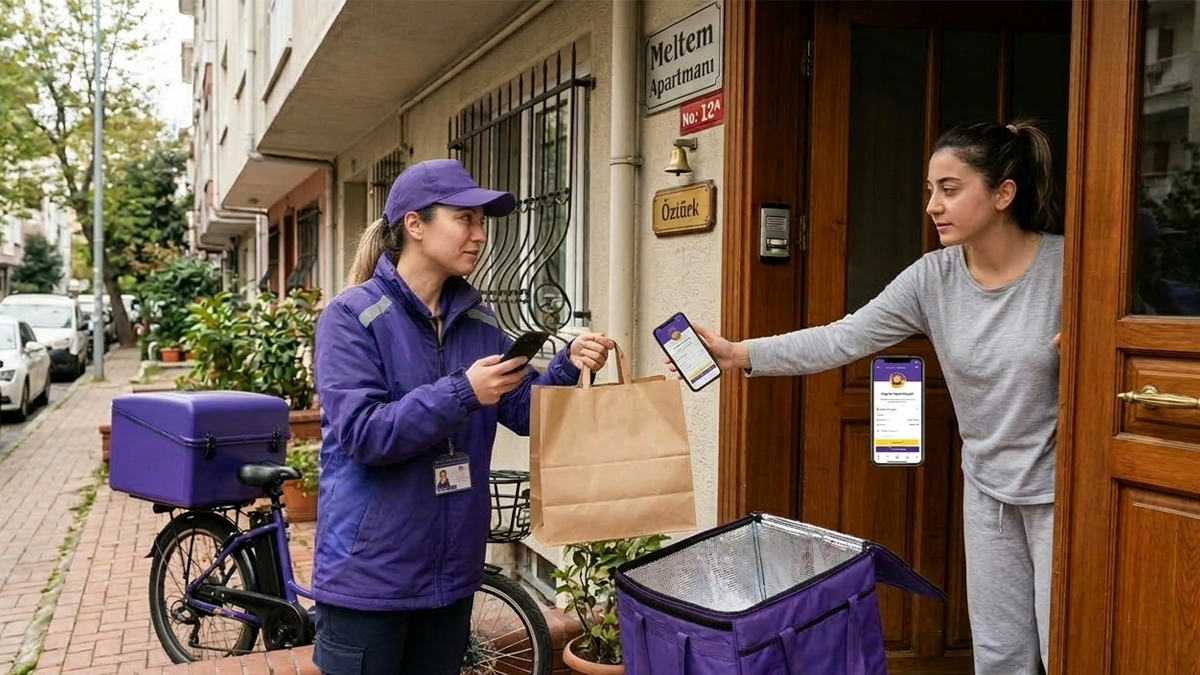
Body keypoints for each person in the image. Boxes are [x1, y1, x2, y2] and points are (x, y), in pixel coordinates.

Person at [670, 120, 1062, 675]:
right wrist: (738, 353)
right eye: (930, 190)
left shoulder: (1069, 269)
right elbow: (843, 337)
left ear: (1004, 194)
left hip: (1063, 493)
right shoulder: (933, 278)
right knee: (1001, 653)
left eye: (950, 190)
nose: (932, 205)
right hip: (988, 489)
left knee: (1065, 644)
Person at [311, 158, 615, 675]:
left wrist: (566, 366)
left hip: (450, 574)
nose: (480, 235)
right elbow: (364, 434)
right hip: (370, 578)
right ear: (415, 224)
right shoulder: (352, 316)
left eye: (482, 222)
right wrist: (463, 391)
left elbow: (522, 410)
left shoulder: (477, 320)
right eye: (465, 219)